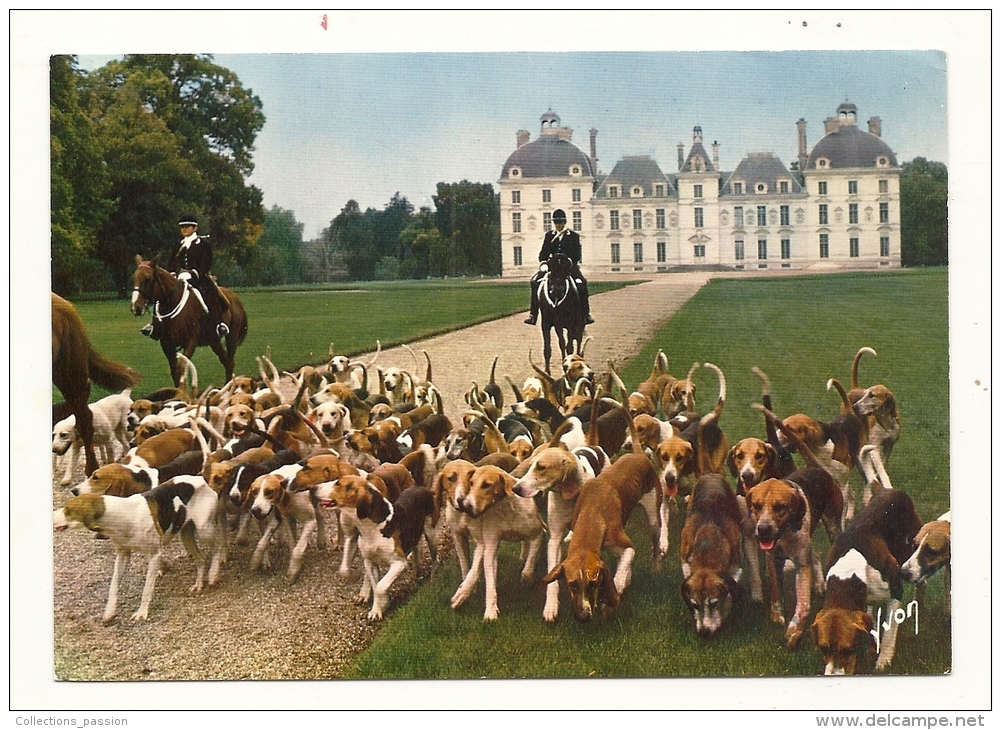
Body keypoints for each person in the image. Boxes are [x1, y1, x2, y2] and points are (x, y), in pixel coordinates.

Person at [141, 217, 229, 339]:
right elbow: (172, 262)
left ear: (195, 228)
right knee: (161, 292)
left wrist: (194, 273)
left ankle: (219, 324)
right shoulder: (179, 245)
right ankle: (154, 325)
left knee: (210, 292)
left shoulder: (204, 245)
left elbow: (206, 264)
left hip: (199, 278)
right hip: (180, 278)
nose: (184, 229)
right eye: (182, 227)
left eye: (187, 226)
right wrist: (172, 273)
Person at [524, 208, 594, 326]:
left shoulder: (573, 236)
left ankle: (586, 314)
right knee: (535, 281)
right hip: (552, 268)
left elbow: (577, 255)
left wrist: (568, 262)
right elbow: (543, 254)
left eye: (560, 222)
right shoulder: (549, 236)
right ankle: (533, 314)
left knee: (582, 283)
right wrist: (544, 262)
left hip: (569, 268)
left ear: (564, 222)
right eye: (556, 222)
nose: (558, 225)